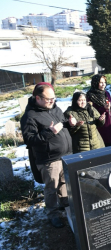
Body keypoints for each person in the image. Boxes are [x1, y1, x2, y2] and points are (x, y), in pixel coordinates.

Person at [21, 82, 77, 228]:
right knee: (51, 188)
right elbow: (30, 140)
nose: (53, 101)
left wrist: (69, 123)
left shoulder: (54, 108)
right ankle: (53, 214)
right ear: (37, 98)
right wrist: (49, 132)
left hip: (65, 155)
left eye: (54, 98)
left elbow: (62, 122)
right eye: (48, 99)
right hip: (49, 160)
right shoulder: (30, 116)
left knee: (65, 183)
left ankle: (65, 204)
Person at [86, 74, 111, 146]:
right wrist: (103, 109)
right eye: (101, 82)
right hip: (100, 126)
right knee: (102, 147)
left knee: (109, 147)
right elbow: (91, 112)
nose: (103, 85)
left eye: (104, 82)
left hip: (109, 124)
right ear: (95, 83)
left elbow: (110, 108)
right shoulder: (90, 95)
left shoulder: (106, 93)